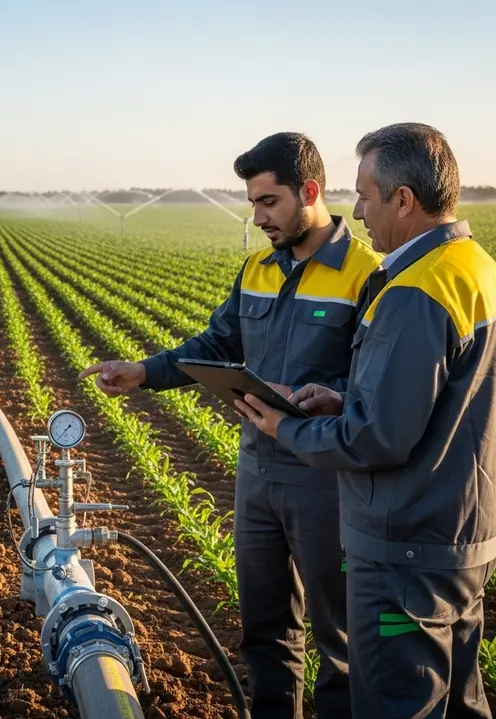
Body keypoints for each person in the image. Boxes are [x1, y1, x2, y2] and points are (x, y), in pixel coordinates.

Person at [78, 132, 382, 718]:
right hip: (258, 472)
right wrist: (143, 371)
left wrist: (332, 396)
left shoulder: (365, 274)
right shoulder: (256, 270)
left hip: (327, 479)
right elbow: (219, 343)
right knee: (264, 630)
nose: (260, 217)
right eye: (252, 205)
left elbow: (376, 381)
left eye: (269, 202)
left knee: (339, 638)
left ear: (309, 192)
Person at [235, 122, 496, 718]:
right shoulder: (476, 267)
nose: (356, 209)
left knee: (397, 701)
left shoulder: (414, 290)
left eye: (365, 195)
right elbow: (439, 396)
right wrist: (342, 394)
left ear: (403, 200)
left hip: (403, 547)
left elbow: (378, 436)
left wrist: (285, 427)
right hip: (462, 536)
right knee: (460, 703)